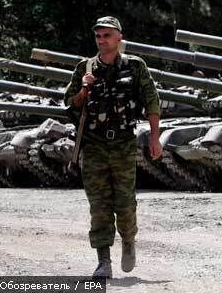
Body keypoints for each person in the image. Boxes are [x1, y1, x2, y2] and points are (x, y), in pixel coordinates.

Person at [65, 16, 163, 278]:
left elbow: (152, 102)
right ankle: (103, 260)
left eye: (106, 35)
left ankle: (128, 241)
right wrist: (84, 91)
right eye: (98, 35)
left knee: (125, 202)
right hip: (94, 144)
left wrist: (154, 137)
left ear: (119, 37)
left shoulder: (135, 67)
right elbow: (70, 105)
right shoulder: (84, 68)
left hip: (123, 143)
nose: (101, 40)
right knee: (98, 204)